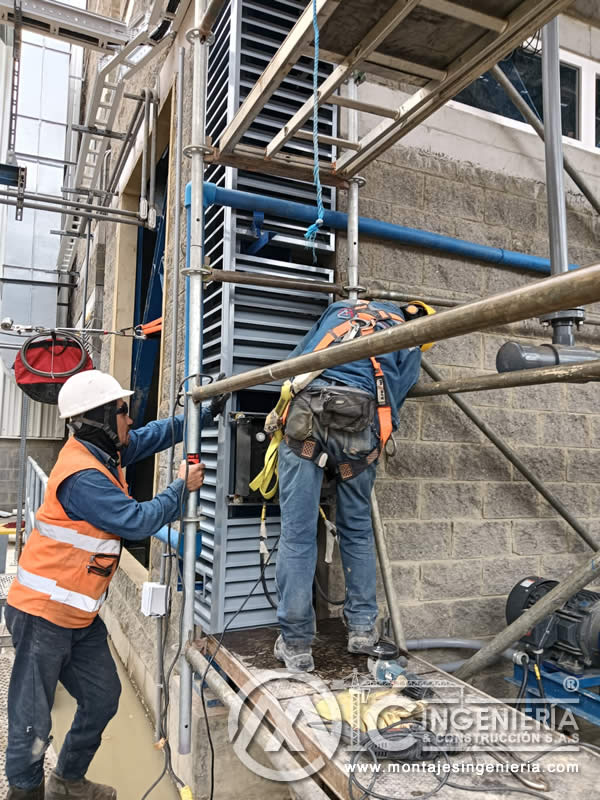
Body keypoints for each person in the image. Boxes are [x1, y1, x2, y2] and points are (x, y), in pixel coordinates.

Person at [4, 369, 228, 800]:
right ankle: (24, 793)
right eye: (123, 411)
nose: (130, 419)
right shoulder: (82, 476)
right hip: (41, 614)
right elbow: (136, 521)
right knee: (32, 721)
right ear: (101, 418)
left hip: (79, 616)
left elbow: (151, 436)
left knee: (104, 697)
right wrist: (182, 488)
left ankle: (67, 781)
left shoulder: (107, 451)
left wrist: (198, 416)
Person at [273, 299, 434, 673]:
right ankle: (362, 630)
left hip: (307, 422)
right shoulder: (411, 335)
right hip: (359, 430)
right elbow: (401, 390)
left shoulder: (340, 311)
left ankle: (296, 645)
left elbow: (297, 361)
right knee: (357, 532)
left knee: (297, 536)